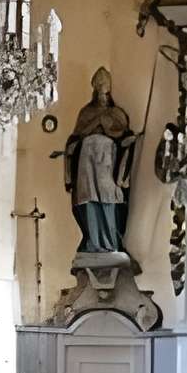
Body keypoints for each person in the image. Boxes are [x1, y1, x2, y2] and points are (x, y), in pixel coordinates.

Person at [63, 69, 135, 256]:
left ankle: (111, 242)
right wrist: (93, 125)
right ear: (94, 90)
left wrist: (118, 133)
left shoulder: (116, 113)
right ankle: (93, 241)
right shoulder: (86, 112)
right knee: (89, 198)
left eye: (106, 91)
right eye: (100, 90)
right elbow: (76, 136)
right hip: (87, 161)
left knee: (109, 196)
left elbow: (124, 135)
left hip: (107, 160)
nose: (103, 95)